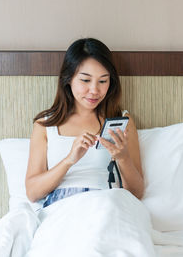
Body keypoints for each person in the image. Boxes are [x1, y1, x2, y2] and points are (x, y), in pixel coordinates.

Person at [25, 38, 144, 208]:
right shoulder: (45, 125)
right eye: (86, 80)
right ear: (68, 78)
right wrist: (69, 160)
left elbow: (137, 193)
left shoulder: (121, 121)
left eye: (103, 81)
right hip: (63, 208)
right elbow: (32, 193)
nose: (95, 90)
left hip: (106, 205)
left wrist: (123, 158)